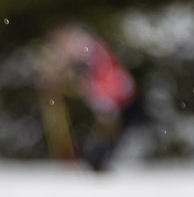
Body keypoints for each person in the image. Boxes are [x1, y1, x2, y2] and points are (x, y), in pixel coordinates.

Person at [35, 24, 136, 172]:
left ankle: (97, 159)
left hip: (112, 96)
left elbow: (88, 75)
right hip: (112, 94)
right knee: (107, 132)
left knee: (108, 131)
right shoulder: (87, 49)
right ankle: (96, 159)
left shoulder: (87, 50)